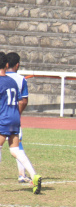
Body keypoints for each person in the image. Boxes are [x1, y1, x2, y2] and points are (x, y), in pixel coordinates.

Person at [0, 52, 41, 194]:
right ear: (6, 65)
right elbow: (21, 100)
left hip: (3, 118)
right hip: (15, 118)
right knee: (15, 150)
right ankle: (34, 175)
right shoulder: (12, 81)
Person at [6, 52, 35, 184]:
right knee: (17, 145)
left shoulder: (2, 77)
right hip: (12, 117)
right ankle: (23, 174)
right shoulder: (21, 79)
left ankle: (24, 174)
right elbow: (23, 101)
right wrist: (16, 113)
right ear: (17, 64)